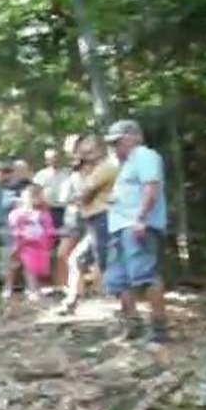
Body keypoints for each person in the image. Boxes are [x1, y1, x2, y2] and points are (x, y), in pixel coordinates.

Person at [103, 119, 169, 343]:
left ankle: (159, 329)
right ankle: (133, 325)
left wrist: (141, 218)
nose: (114, 147)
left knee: (145, 274)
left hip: (136, 225)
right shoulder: (124, 164)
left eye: (118, 142)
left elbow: (152, 186)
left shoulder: (144, 155)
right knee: (117, 279)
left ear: (133, 136)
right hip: (119, 227)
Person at [58, 135, 118, 314]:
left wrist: (78, 194)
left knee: (106, 263)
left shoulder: (106, 167)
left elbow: (83, 195)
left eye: (89, 150)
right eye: (82, 151)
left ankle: (123, 306)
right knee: (77, 259)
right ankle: (71, 301)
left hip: (104, 218)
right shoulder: (84, 171)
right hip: (94, 220)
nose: (84, 154)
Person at [4, 183, 55, 302]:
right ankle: (9, 287)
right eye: (30, 197)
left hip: (38, 244)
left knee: (33, 267)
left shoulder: (43, 213)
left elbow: (48, 228)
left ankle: (34, 288)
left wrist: (48, 239)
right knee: (16, 264)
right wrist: (19, 235)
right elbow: (13, 225)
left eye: (37, 196)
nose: (32, 200)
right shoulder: (17, 213)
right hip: (21, 243)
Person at [54, 135, 87, 288]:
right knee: (63, 253)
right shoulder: (68, 170)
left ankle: (99, 290)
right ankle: (64, 287)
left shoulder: (90, 164)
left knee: (93, 254)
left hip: (88, 214)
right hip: (71, 216)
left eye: (72, 147)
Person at [34, 147, 71, 232]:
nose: (54, 160)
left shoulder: (67, 172)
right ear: (46, 160)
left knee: (63, 233)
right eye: (51, 158)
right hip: (47, 209)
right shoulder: (41, 174)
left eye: (55, 157)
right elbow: (36, 191)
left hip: (64, 209)